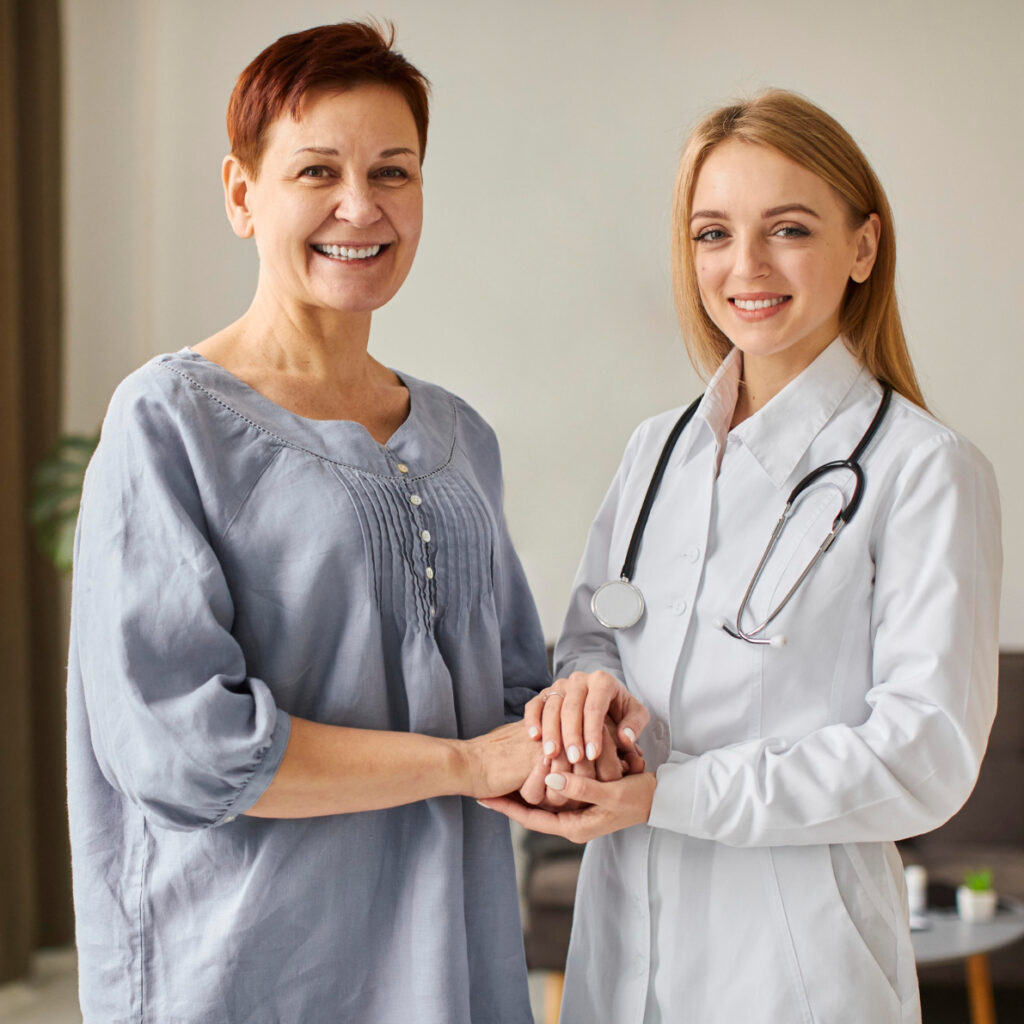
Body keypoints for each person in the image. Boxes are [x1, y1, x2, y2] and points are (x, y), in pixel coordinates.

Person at [67, 22, 557, 1023]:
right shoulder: (170, 420)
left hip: (446, 971)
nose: (360, 205)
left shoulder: (460, 438)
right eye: (316, 170)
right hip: (244, 973)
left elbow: (515, 694)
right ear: (243, 195)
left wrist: (577, 729)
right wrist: (464, 765)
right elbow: (183, 745)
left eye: (393, 171)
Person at [481, 90, 1002, 1023]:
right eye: (713, 233)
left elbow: (924, 757)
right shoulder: (657, 450)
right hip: (622, 952)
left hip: (796, 972)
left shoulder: (925, 469)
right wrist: (587, 700)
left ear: (863, 248)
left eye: (788, 228)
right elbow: (595, 638)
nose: (745, 266)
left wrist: (668, 797)